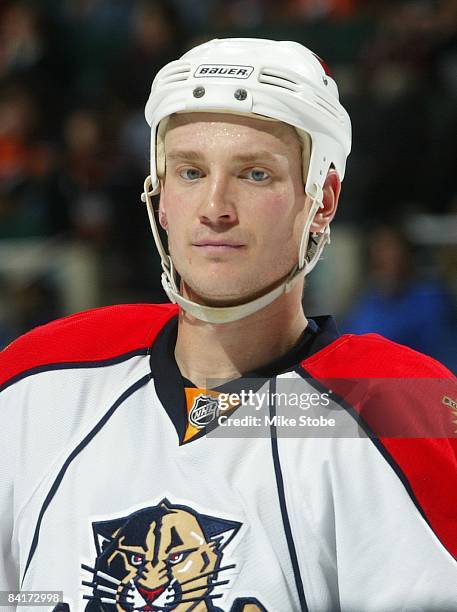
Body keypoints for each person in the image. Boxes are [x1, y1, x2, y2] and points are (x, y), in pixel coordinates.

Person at [1, 38, 456, 612]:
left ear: (323, 200)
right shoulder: (39, 382)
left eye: (255, 174)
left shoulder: (396, 405)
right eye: (190, 171)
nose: (215, 207)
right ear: (160, 195)